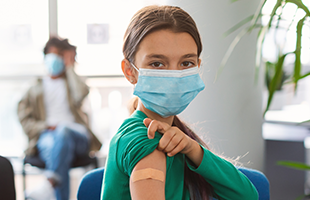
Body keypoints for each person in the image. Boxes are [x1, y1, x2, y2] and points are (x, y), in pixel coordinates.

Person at [100, 5, 258, 200]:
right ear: (129, 71)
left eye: (186, 63)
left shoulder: (177, 138)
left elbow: (248, 195)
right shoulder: (146, 142)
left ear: (198, 67)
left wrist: (194, 150)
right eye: (157, 63)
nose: (174, 75)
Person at [18, 37, 102, 200]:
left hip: (78, 135)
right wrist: (45, 126)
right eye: (52, 54)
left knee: (63, 130)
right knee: (58, 147)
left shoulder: (72, 83)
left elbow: (81, 94)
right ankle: (53, 183)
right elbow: (25, 120)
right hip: (47, 135)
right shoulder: (34, 89)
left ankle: (49, 183)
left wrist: (70, 68)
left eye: (59, 55)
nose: (54, 58)